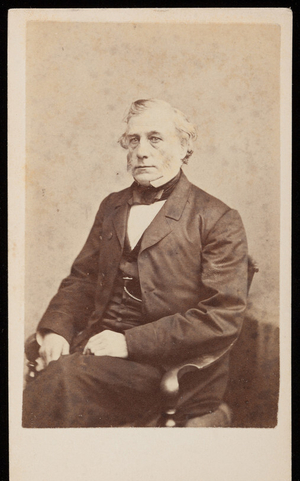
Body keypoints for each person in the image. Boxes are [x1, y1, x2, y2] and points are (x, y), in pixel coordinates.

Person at [23, 99, 248, 428]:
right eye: (133, 140)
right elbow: (83, 279)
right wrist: (57, 329)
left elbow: (221, 316)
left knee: (64, 379)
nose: (141, 151)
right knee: (49, 367)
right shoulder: (112, 206)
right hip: (96, 349)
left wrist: (131, 342)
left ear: (184, 147)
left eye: (155, 138)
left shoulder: (218, 218)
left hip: (165, 368)